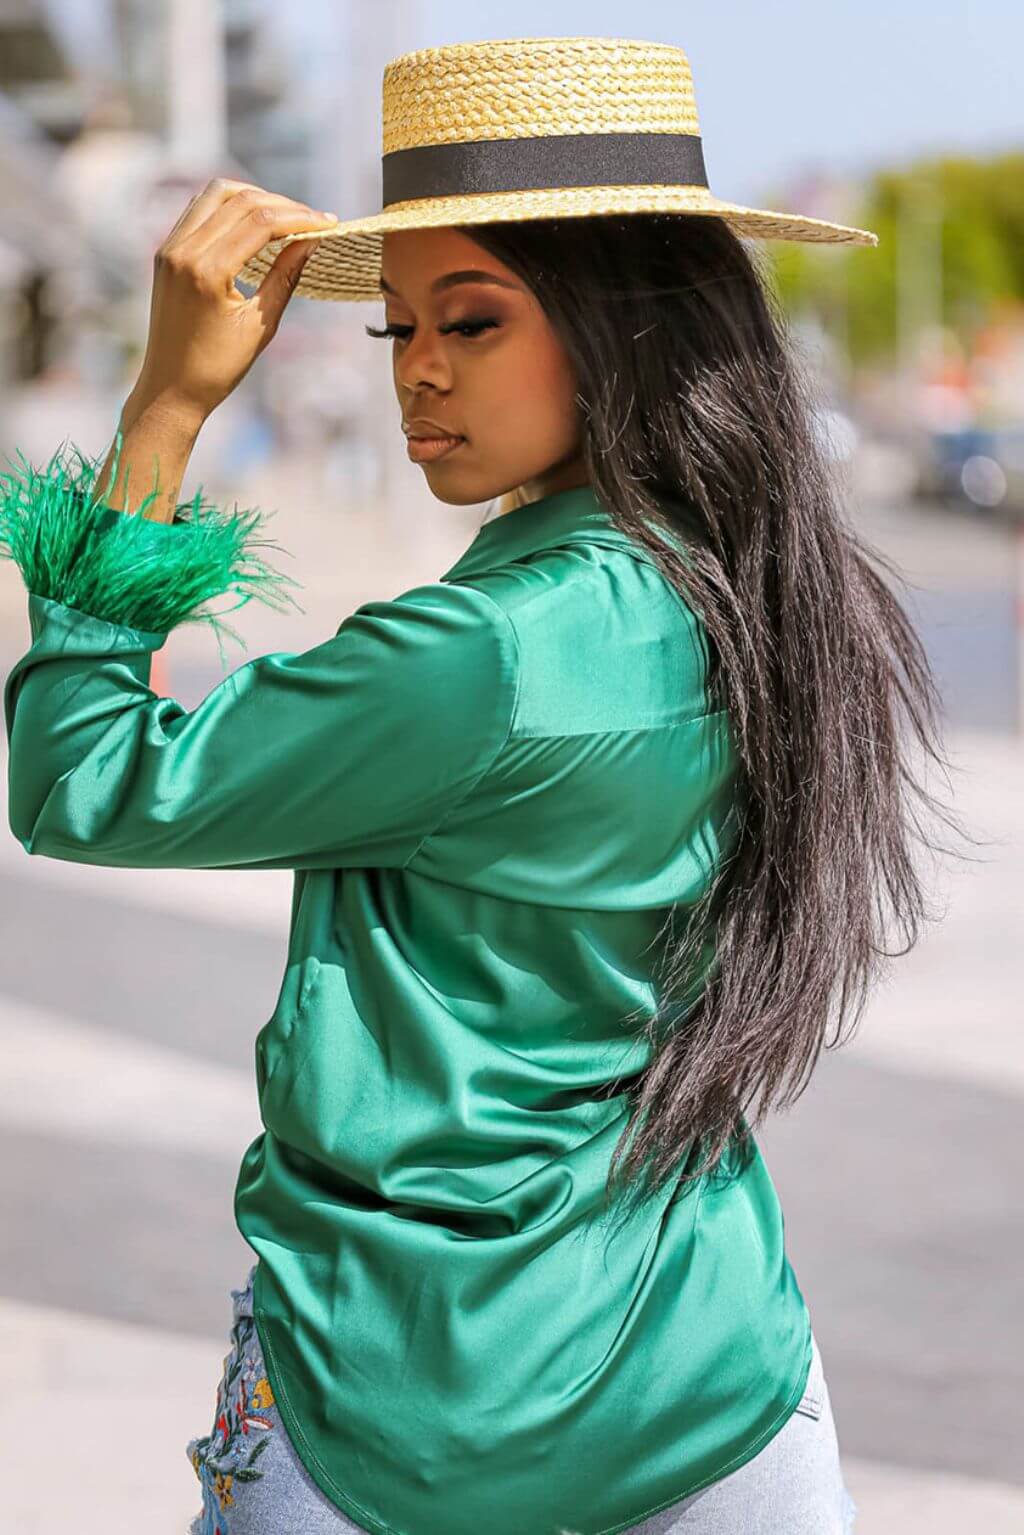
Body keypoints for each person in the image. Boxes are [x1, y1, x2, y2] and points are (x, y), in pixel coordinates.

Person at [1, 35, 969, 1535]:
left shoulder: (482, 655)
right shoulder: (766, 592)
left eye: (473, 318)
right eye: (396, 328)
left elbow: (81, 778)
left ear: (619, 325)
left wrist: (167, 411)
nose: (422, 371)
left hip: (404, 1388)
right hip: (709, 1368)